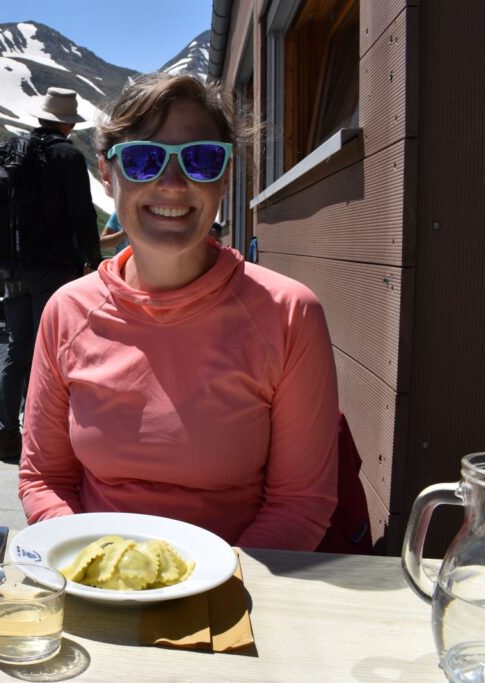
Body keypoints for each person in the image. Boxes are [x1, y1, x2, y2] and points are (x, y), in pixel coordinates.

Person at [17, 74, 340, 552]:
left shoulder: (288, 315)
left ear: (225, 177)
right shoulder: (67, 311)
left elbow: (299, 503)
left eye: (202, 159)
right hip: (95, 582)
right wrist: (92, 566)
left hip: (235, 593)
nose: (172, 183)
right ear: (108, 175)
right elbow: (44, 478)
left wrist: (211, 588)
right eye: (144, 160)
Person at [0, 87, 101, 463]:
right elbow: (83, 214)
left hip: (13, 268)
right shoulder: (66, 155)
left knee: (16, 352)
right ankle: (44, 439)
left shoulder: (12, 151)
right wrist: (94, 259)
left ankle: (5, 435)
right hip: (53, 269)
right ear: (68, 122)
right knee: (49, 354)